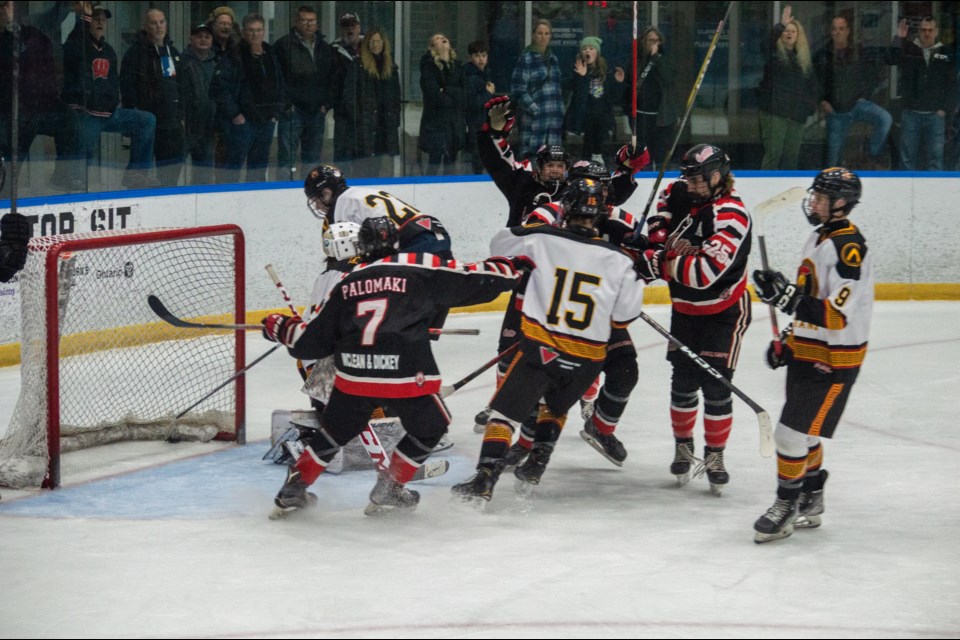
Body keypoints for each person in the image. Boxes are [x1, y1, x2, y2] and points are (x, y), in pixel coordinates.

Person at [261, 216, 523, 517]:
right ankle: (390, 490)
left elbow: (312, 341)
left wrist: (280, 327)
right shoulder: (418, 265)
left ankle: (292, 490)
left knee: (334, 431)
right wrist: (513, 266)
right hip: (405, 373)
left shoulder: (348, 280)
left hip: (354, 375)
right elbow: (475, 280)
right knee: (432, 428)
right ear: (397, 241)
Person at [451, 177, 645, 501]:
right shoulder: (620, 260)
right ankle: (537, 462)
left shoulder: (541, 238)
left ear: (566, 208)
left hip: (542, 348)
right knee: (554, 405)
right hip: (587, 360)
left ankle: (485, 478)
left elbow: (498, 245)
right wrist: (631, 261)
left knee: (504, 415)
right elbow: (624, 316)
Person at [751, 167, 873, 543]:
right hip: (809, 350)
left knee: (789, 436)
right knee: (804, 435)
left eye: (821, 197)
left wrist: (787, 298)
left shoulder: (848, 247)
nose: (813, 202)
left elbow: (836, 314)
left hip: (834, 358)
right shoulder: (818, 237)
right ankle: (812, 497)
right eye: (815, 195)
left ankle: (786, 505)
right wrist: (788, 340)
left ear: (840, 204)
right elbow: (810, 298)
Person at [632, 144, 753, 494]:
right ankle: (683, 446)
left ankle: (715, 455)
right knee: (683, 384)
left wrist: (658, 263)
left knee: (716, 388)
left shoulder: (732, 214)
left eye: (700, 179)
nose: (692, 185)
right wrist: (655, 237)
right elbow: (665, 204)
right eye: (690, 178)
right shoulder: (684, 191)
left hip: (723, 312)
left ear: (718, 176)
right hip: (685, 311)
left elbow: (705, 273)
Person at [62, 4, 158, 189]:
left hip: (108, 113)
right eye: (95, 18)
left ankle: (136, 174)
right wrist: (84, 17)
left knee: (147, 120)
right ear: (87, 22)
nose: (99, 21)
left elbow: (114, 81)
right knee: (83, 152)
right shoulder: (77, 45)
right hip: (86, 113)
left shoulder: (109, 50)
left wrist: (113, 102)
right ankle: (75, 182)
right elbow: (75, 42)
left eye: (103, 19)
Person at [0, 0, 83, 192]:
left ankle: (63, 177)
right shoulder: (9, 40)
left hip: (40, 108)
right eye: (3, 6)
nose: (6, 10)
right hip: (12, 113)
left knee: (70, 119)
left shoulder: (34, 35)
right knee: (12, 161)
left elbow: (47, 76)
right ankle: (5, 195)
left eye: (8, 5)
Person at [302, 164, 452, 259]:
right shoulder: (361, 193)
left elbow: (340, 256)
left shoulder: (339, 207)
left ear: (326, 192)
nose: (317, 206)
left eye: (317, 199)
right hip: (435, 232)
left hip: (414, 243)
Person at [211, 13, 285, 182]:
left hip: (266, 120)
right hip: (243, 122)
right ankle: (227, 203)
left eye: (258, 30)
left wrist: (276, 113)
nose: (255, 34)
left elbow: (281, 83)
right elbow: (219, 87)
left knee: (258, 169)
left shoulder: (271, 53)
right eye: (251, 30)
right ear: (243, 32)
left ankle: (255, 204)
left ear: (264, 31)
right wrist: (235, 114)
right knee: (232, 168)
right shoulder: (234, 55)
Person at [814, 15, 892, 169]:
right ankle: (831, 186)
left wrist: (864, 95)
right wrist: (821, 101)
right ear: (830, 32)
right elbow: (813, 82)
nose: (838, 32)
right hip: (835, 111)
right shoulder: (822, 55)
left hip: (857, 105)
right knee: (832, 160)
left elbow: (871, 76)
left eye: (842, 28)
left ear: (848, 31)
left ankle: (870, 154)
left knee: (885, 119)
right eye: (835, 29)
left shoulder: (858, 51)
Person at [120, 8, 184, 187]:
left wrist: (180, 115)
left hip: (170, 122)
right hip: (146, 120)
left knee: (170, 174)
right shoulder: (135, 52)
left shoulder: (173, 52)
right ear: (146, 26)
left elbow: (181, 85)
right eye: (154, 23)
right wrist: (134, 110)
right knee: (139, 175)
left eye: (162, 22)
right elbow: (127, 85)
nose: (159, 26)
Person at [885, 17, 955, 171]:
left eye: (930, 30)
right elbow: (890, 59)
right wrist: (899, 39)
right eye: (923, 30)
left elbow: (953, 85)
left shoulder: (946, 53)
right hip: (911, 114)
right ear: (918, 32)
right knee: (907, 158)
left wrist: (945, 108)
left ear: (936, 32)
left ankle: (935, 191)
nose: (927, 33)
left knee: (936, 158)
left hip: (936, 116)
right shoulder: (909, 49)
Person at [274, 5, 334, 181]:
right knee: (287, 159)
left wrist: (326, 104)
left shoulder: (325, 47)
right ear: (296, 22)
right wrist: (286, 104)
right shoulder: (283, 45)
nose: (308, 24)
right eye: (304, 20)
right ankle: (284, 193)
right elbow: (278, 78)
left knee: (313, 159)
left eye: (312, 21)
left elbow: (333, 78)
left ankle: (312, 191)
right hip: (293, 111)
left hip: (317, 110)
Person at [757, 5, 818, 170]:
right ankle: (766, 188)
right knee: (774, 154)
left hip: (796, 115)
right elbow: (765, 45)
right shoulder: (774, 56)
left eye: (793, 31)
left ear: (799, 36)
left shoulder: (804, 60)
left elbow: (812, 87)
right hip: (775, 113)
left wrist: (809, 107)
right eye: (786, 31)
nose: (789, 33)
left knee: (791, 157)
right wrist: (780, 26)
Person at [619, 26, 676, 170]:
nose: (654, 44)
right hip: (639, 114)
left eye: (657, 41)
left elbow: (668, 79)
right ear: (643, 41)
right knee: (642, 153)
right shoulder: (635, 60)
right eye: (651, 40)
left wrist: (656, 58)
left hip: (659, 117)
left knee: (660, 152)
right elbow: (629, 82)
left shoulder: (664, 60)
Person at [510, 18, 563, 160]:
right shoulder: (526, 58)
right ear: (533, 35)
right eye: (540, 33)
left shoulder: (554, 59)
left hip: (553, 121)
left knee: (552, 162)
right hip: (534, 121)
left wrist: (561, 109)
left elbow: (558, 89)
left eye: (547, 33)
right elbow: (518, 89)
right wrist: (534, 109)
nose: (543, 37)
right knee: (532, 161)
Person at [354, 26, 401, 178]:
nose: (375, 45)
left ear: (384, 43)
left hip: (385, 123)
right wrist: (358, 118)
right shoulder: (359, 66)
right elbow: (351, 96)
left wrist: (395, 118)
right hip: (366, 123)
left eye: (378, 41)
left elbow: (396, 96)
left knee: (385, 165)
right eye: (372, 42)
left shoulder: (391, 67)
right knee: (367, 166)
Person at [564, 36, 617, 165]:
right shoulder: (577, 69)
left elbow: (611, 96)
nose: (587, 51)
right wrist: (582, 77)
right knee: (588, 142)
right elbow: (578, 94)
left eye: (591, 48)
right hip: (586, 115)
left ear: (597, 53)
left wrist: (618, 82)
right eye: (584, 49)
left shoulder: (604, 70)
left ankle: (599, 157)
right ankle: (586, 161)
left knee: (601, 140)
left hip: (602, 115)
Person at [418, 33, 466, 175]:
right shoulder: (429, 67)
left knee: (451, 165)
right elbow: (434, 96)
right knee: (434, 163)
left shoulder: (458, 67)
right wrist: (453, 95)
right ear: (432, 47)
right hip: (436, 125)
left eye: (444, 37)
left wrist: (446, 89)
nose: (443, 39)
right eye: (437, 39)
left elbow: (465, 94)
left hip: (453, 124)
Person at [180, 23, 217, 185]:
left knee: (204, 175)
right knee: (173, 170)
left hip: (208, 128)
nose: (203, 40)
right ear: (191, 39)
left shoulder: (217, 62)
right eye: (199, 36)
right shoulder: (181, 61)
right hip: (185, 125)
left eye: (207, 37)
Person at [331, 11, 363, 173]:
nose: (350, 30)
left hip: (366, 115)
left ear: (359, 27)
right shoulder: (333, 51)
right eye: (346, 26)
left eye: (353, 25)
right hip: (343, 115)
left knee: (364, 161)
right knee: (342, 158)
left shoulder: (372, 48)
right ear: (340, 29)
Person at [463, 40, 495, 174]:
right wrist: (488, 93)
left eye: (483, 55)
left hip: (482, 122)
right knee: (478, 155)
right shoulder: (471, 77)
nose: (481, 59)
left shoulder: (485, 74)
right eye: (477, 56)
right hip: (475, 123)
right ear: (471, 57)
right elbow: (472, 102)